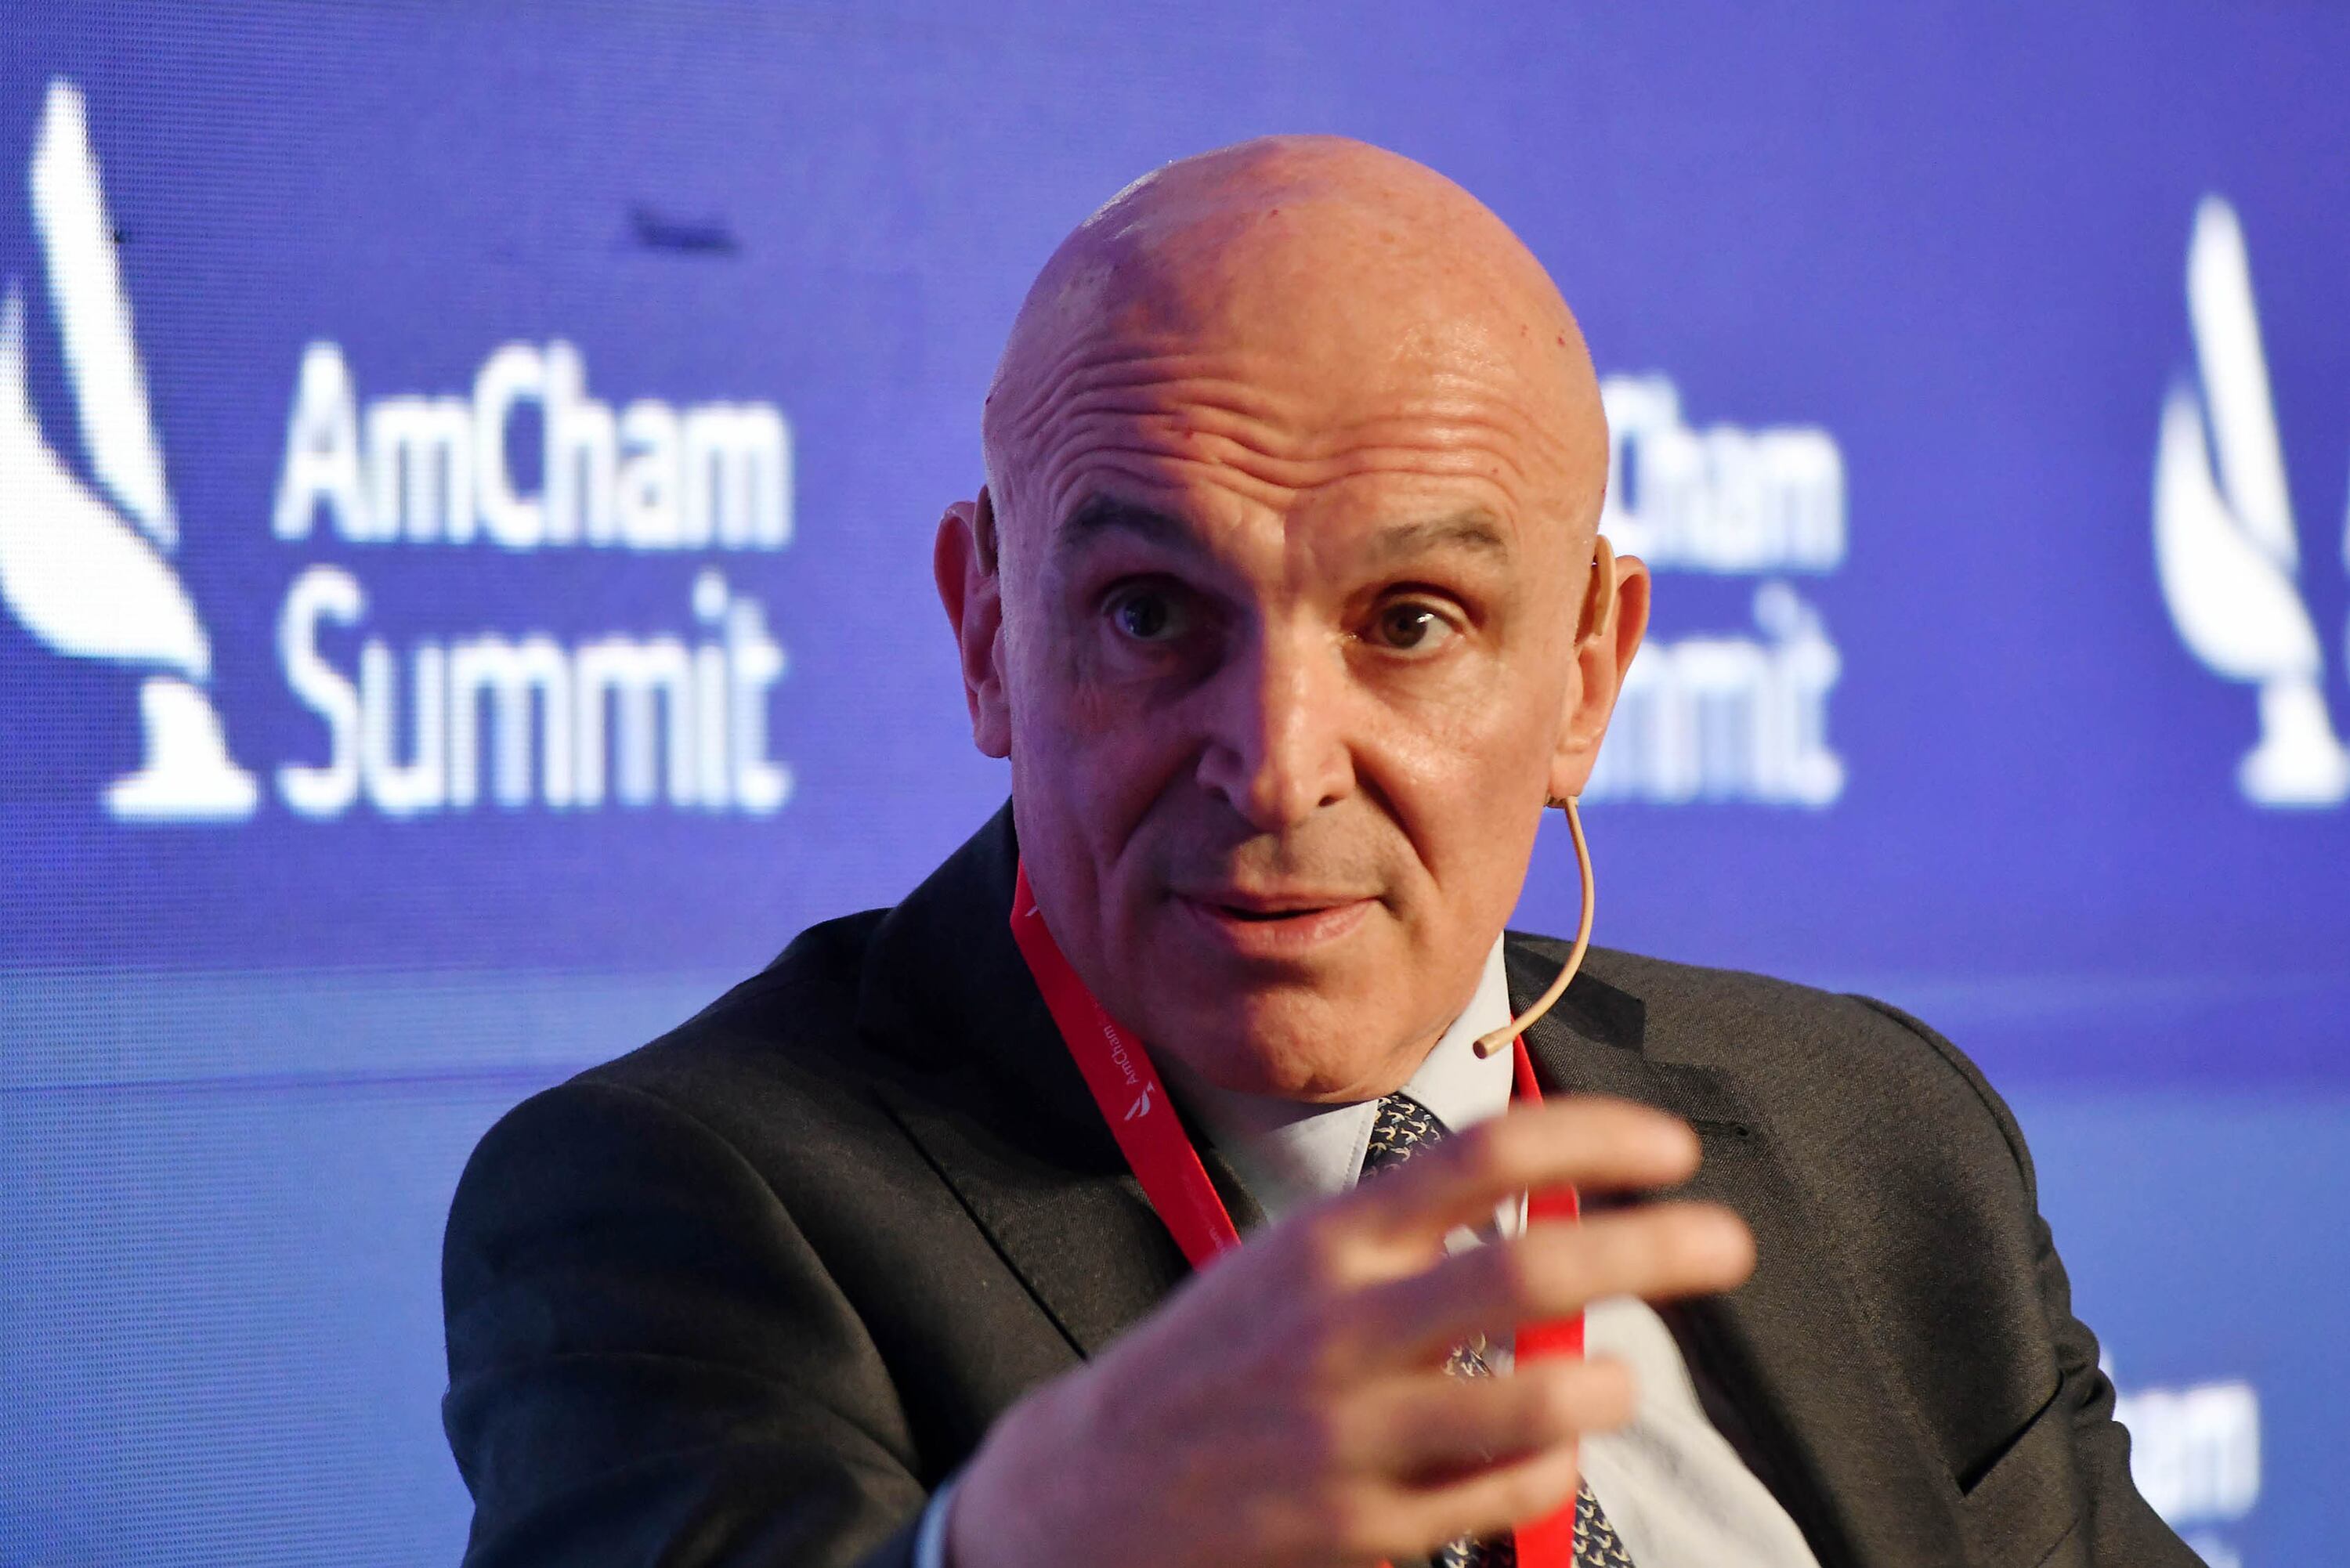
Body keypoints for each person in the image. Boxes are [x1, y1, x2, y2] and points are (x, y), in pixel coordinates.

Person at [439, 136, 2192, 1568]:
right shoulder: (673, 1201)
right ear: (986, 634)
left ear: (1587, 672)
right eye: (1149, 612)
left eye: (1411, 619)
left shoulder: (1879, 1142)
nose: (1278, 769)